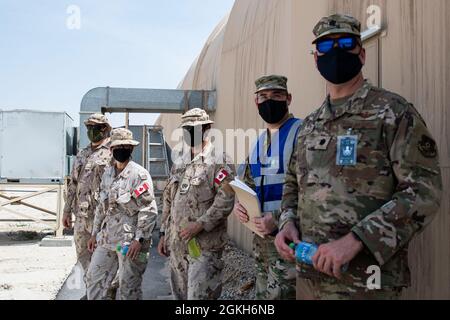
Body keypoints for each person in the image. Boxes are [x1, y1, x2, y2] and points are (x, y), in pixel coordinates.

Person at [275, 14, 443, 300]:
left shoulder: (393, 113)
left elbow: (424, 192)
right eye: (326, 47)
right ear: (316, 59)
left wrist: (356, 240)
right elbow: (293, 184)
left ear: (362, 54)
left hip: (367, 283)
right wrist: (286, 223)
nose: (336, 52)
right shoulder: (309, 125)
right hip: (310, 278)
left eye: (346, 44)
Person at [157, 108, 235, 300]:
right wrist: (163, 233)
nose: (190, 132)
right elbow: (169, 199)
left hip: (204, 248)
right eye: (186, 129)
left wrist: (200, 224)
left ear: (207, 128)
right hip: (177, 246)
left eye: (195, 128)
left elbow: (226, 199)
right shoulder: (180, 162)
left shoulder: (220, 161)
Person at [233, 75, 300, 300]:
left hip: (289, 239)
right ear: (256, 102)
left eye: (277, 96)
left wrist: (279, 218)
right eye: (263, 96)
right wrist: (239, 206)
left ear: (288, 99)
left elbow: (314, 192)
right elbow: (246, 185)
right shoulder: (259, 142)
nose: (269, 101)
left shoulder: (302, 133)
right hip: (261, 241)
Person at [86, 128, 158, 300]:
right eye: (117, 146)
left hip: (128, 243)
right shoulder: (108, 174)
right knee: (94, 279)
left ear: (131, 149)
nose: (121, 150)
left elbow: (148, 210)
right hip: (107, 239)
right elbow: (101, 207)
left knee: (129, 288)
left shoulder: (139, 175)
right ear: (111, 149)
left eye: (125, 146)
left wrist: (139, 239)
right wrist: (94, 233)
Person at [62, 113, 112, 299]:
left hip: (103, 219)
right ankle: (93, 293)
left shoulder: (112, 153)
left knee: (103, 260)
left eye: (95, 127)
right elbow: (73, 184)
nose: (91, 130)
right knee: (83, 258)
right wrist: (66, 211)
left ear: (105, 129)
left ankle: (103, 294)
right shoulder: (82, 153)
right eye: (89, 127)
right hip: (81, 218)